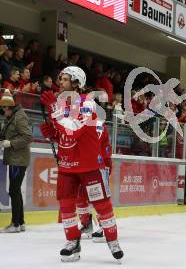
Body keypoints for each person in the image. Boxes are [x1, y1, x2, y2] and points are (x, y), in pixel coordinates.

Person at [39, 66, 123, 262]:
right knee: (67, 207)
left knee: (102, 206)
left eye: (65, 79)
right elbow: (65, 138)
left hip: (89, 166)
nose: (60, 82)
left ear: (77, 84)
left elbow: (74, 129)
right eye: (60, 79)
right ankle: (72, 243)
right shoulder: (62, 106)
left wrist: (54, 109)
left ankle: (113, 241)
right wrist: (52, 134)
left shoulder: (87, 104)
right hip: (67, 167)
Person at [0, 89, 32, 233]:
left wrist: (11, 143)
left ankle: (16, 223)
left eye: (3, 109)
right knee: (15, 190)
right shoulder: (12, 117)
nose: (3, 112)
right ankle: (21, 222)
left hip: (18, 159)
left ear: (9, 107)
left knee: (14, 190)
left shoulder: (19, 117)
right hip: (15, 158)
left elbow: (28, 137)